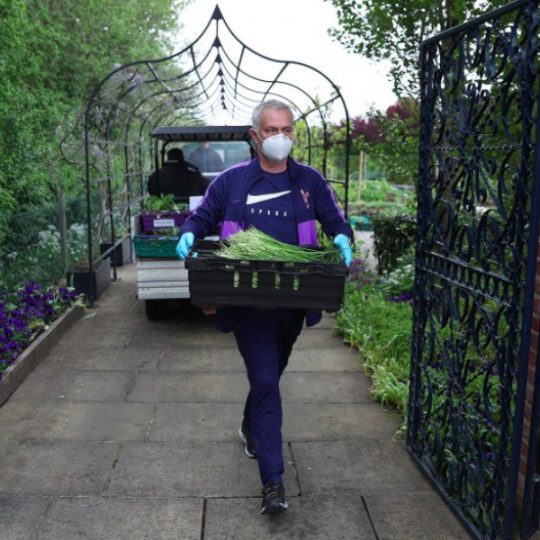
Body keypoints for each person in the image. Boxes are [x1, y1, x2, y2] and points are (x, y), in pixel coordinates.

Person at [176, 100, 353, 515]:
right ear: (255, 136)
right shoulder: (230, 181)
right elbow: (202, 218)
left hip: (293, 300)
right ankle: (273, 482)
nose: (281, 138)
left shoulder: (309, 180)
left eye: (288, 130)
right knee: (267, 379)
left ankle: (250, 424)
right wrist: (187, 233)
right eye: (272, 130)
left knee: (269, 374)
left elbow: (334, 220)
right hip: (247, 298)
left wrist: (343, 237)